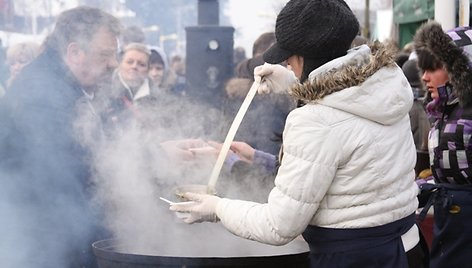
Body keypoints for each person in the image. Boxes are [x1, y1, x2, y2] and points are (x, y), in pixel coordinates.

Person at [170, 0, 425, 267]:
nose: (287, 63)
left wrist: (217, 208)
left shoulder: (314, 121)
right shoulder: (385, 86)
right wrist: (293, 82)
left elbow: (278, 226)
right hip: (407, 246)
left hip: (355, 258)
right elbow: (342, 102)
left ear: (307, 57)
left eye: (289, 57)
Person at [0, 6, 122, 267]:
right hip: (43, 244)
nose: (114, 64)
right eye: (105, 55)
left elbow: (96, 150)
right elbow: (68, 178)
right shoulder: (39, 96)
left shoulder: (65, 84)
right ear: (75, 52)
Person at [414, 21, 472, 268]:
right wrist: (422, 186)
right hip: (449, 219)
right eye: (423, 69)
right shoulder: (442, 111)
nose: (425, 77)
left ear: (460, 68)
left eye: (434, 68)